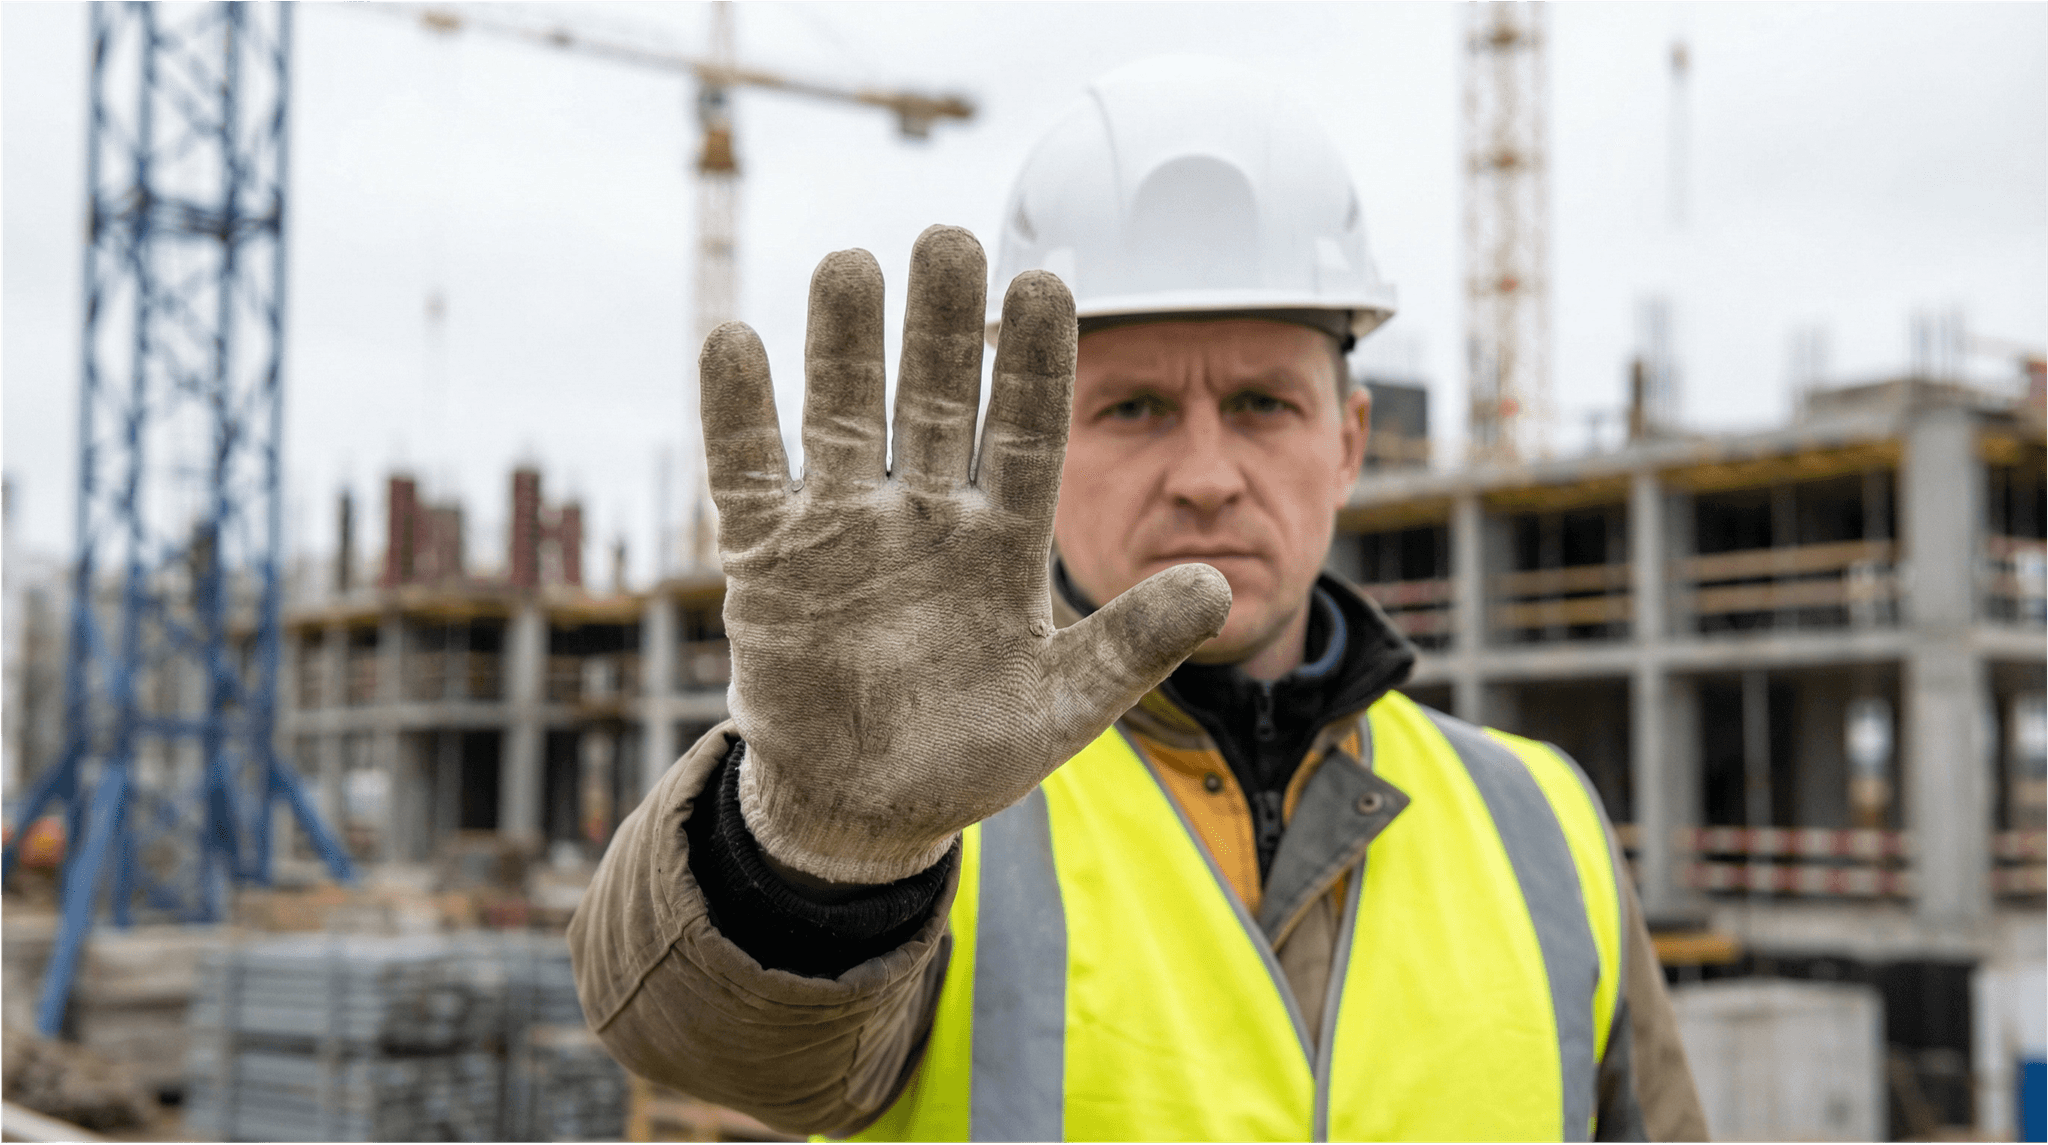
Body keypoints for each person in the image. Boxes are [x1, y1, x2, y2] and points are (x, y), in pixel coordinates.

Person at [569, 57, 1708, 1142]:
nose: (1206, 474)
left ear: (1350, 442)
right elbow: (702, 1039)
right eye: (1135, 409)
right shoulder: (931, 795)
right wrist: (822, 852)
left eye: (1261, 403)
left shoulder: (1542, 823)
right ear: (1033, 447)